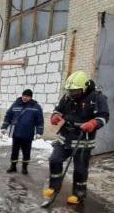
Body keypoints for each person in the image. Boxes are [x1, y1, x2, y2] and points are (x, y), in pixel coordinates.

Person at [44, 70, 109, 204]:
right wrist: (55, 116)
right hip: (65, 137)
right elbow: (58, 109)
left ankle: (79, 194)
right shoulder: (68, 96)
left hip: (83, 140)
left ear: (84, 88)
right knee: (54, 160)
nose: (71, 94)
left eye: (74, 92)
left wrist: (93, 123)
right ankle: (54, 186)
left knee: (80, 169)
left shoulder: (97, 98)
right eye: (69, 91)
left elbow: (103, 116)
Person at [1, 88, 44, 174]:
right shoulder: (15, 104)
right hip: (16, 133)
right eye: (24, 95)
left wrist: (39, 132)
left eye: (27, 96)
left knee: (26, 151)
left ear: (31, 97)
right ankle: (13, 166)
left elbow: (40, 120)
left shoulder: (36, 107)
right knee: (14, 151)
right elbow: (8, 116)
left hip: (28, 134)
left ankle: (25, 168)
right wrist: (4, 127)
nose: (25, 97)